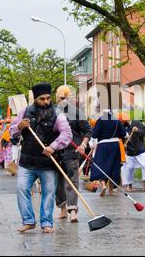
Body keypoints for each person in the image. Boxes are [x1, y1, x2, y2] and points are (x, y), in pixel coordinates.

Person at [10, 82, 72, 234]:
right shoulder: (24, 112)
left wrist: (53, 146)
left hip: (48, 163)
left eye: (48, 98)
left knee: (48, 193)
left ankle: (46, 223)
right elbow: (11, 131)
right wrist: (19, 127)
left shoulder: (58, 114)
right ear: (35, 99)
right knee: (22, 188)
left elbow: (67, 134)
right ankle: (28, 221)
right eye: (42, 99)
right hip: (27, 161)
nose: (46, 102)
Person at [55, 85, 93, 223]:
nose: (63, 100)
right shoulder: (52, 112)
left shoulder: (77, 113)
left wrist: (83, 144)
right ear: (57, 98)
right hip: (56, 152)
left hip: (73, 151)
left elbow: (88, 130)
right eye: (61, 97)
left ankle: (72, 210)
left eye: (66, 97)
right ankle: (63, 208)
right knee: (58, 182)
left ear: (71, 98)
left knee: (72, 180)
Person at [90, 110, 126, 196]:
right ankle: (112, 189)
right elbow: (123, 133)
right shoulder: (116, 120)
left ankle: (103, 185)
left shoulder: (100, 120)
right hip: (115, 146)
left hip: (103, 146)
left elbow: (94, 134)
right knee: (113, 166)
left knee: (100, 165)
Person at [120, 115, 145, 192]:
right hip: (130, 151)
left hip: (140, 149)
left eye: (123, 120)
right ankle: (129, 185)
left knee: (144, 165)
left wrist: (138, 130)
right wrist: (124, 143)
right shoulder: (123, 127)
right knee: (129, 168)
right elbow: (122, 137)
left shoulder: (137, 123)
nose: (122, 122)